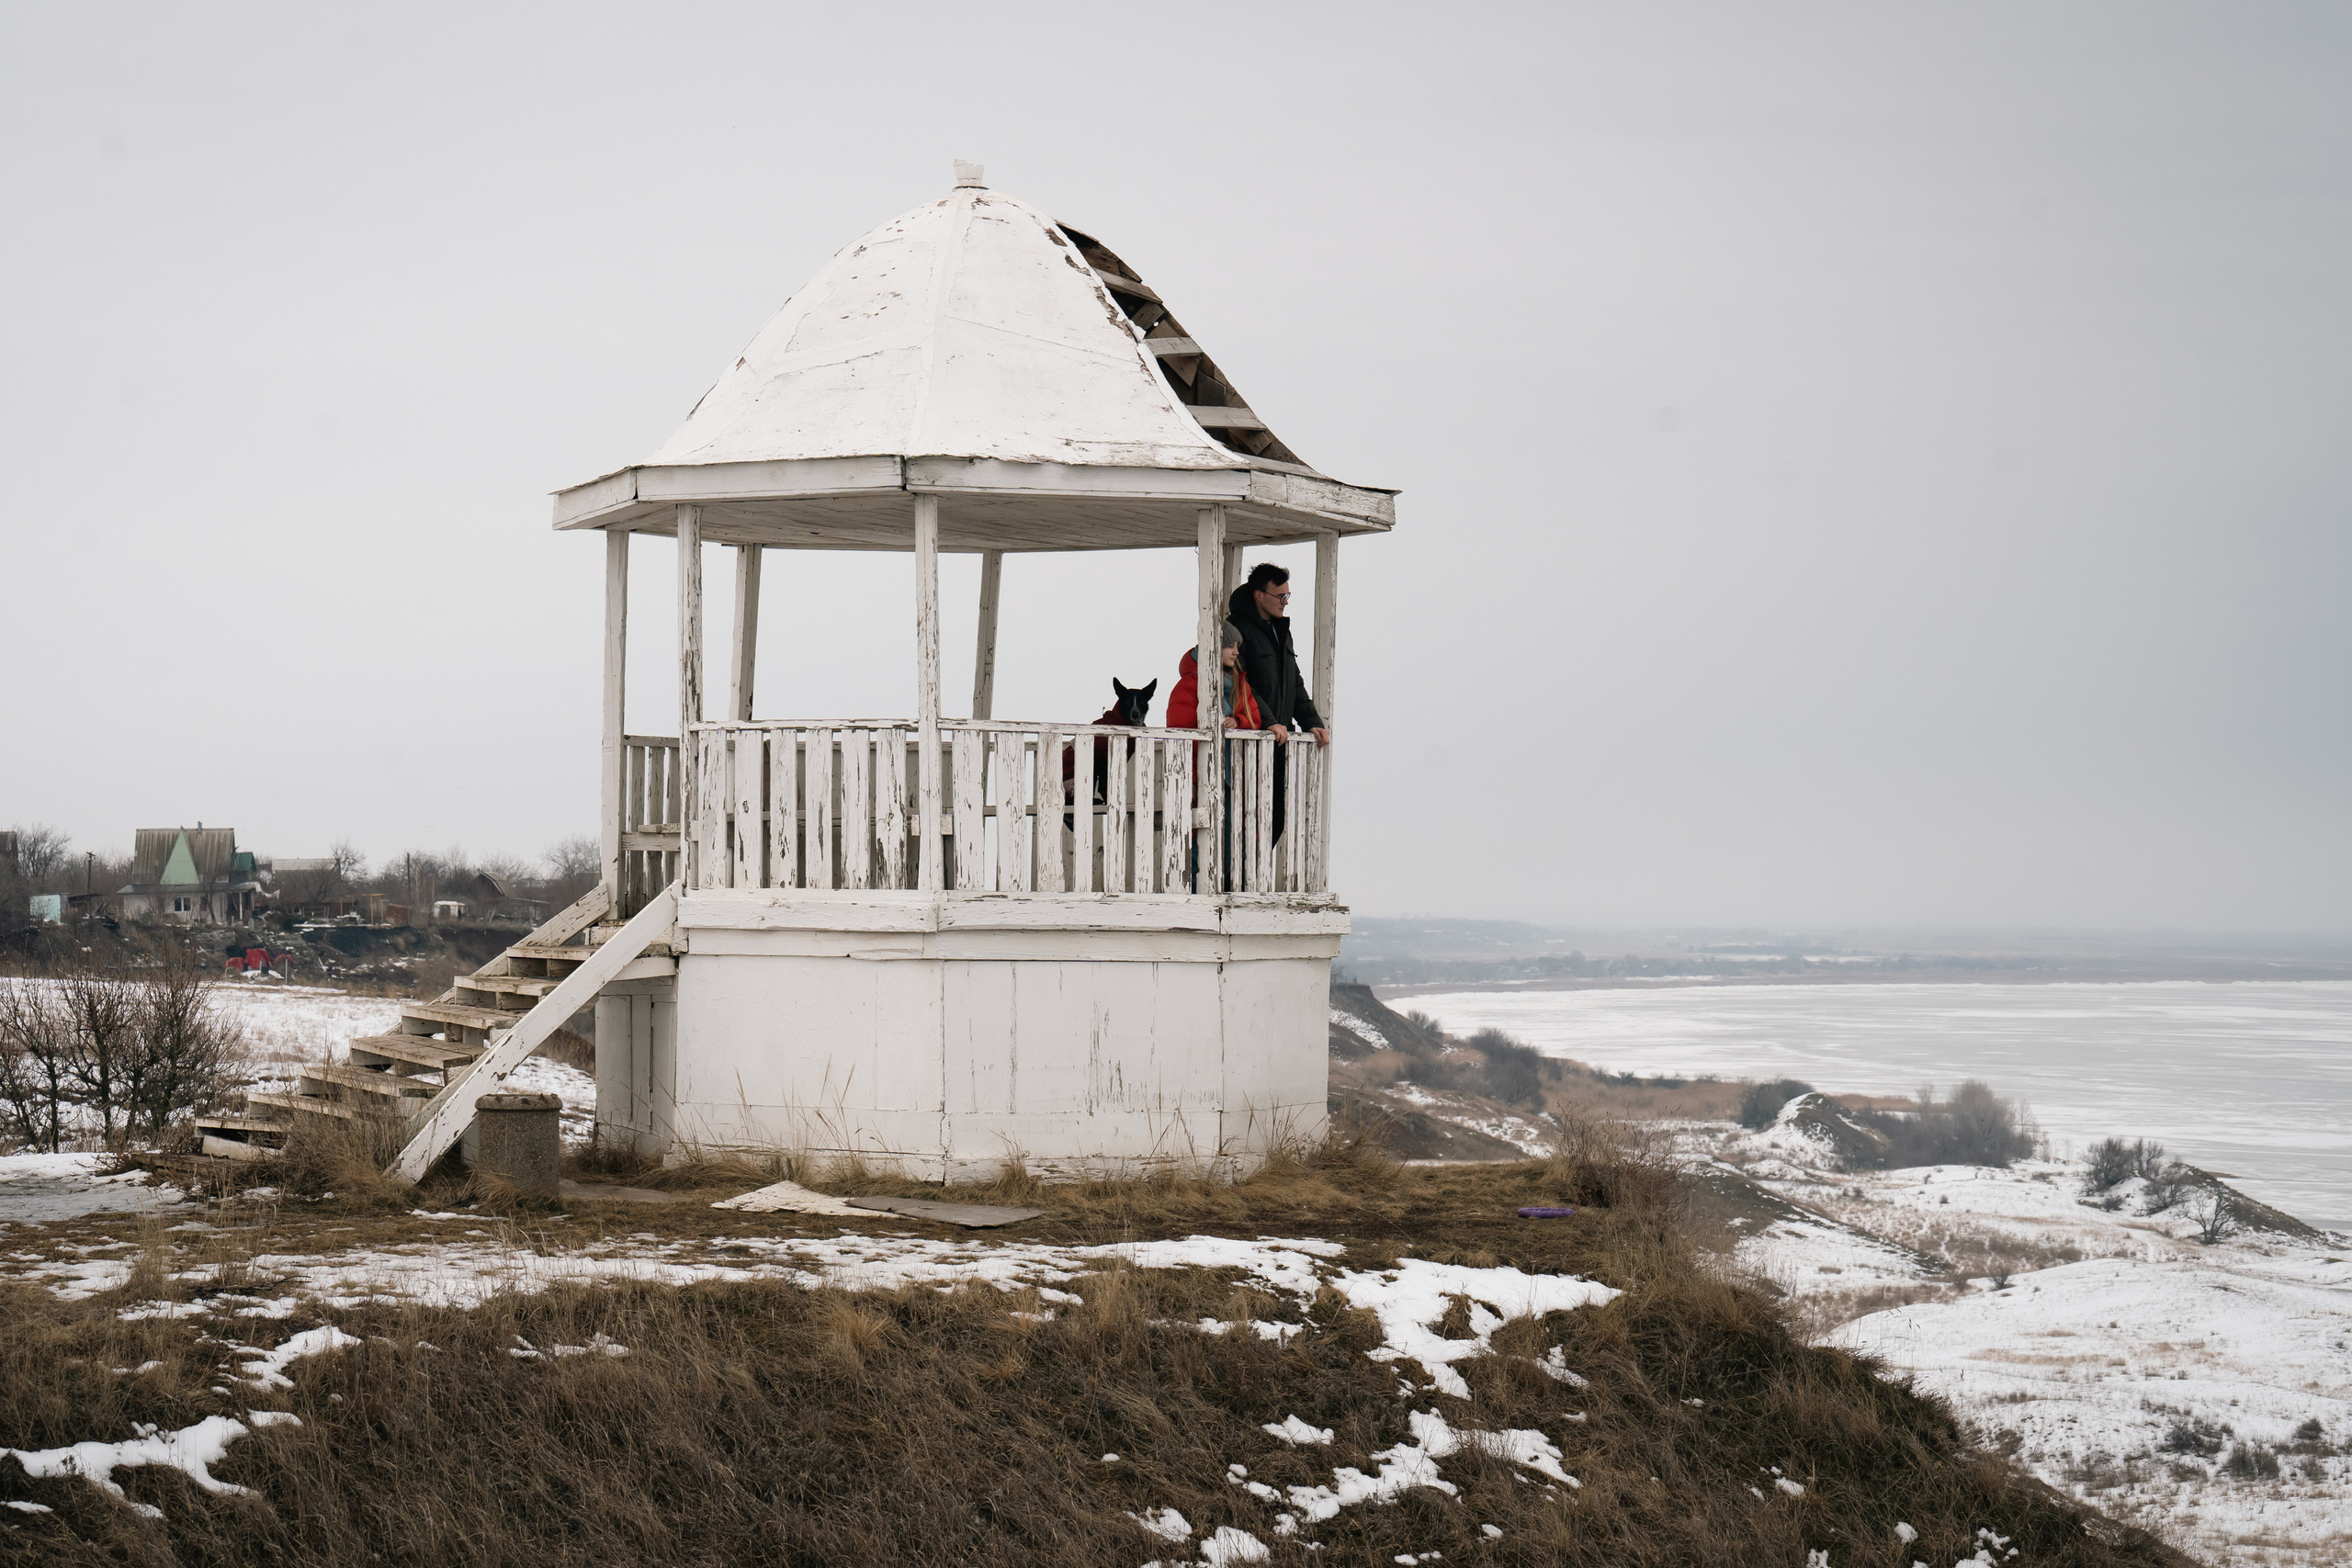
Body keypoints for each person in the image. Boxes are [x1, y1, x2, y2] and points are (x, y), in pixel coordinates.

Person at [1226, 561, 1329, 844]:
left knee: (1276, 819)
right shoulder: (1237, 631)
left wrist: (1311, 722)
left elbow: (1292, 680)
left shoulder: (1281, 630)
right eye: (1279, 596)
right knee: (1247, 819)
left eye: (1288, 596)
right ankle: (1236, 884)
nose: (1285, 602)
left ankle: (1253, 884)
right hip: (1250, 740)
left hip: (1279, 740)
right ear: (1259, 595)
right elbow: (1240, 682)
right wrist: (1269, 721)